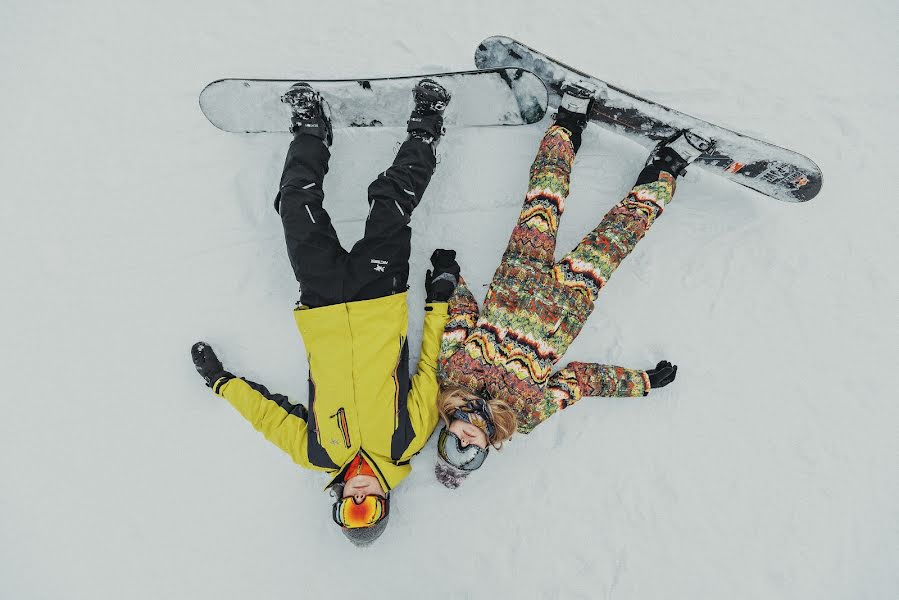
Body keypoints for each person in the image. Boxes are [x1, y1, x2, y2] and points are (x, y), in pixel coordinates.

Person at [191, 79, 461, 544]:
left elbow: (267, 416)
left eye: (350, 513)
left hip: (320, 303)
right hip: (379, 297)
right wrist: (440, 298)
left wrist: (221, 382)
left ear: (337, 506)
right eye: (368, 510)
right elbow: (431, 366)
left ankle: (311, 130)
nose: (358, 499)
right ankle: (426, 126)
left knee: (296, 206)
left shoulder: (317, 451)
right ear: (384, 502)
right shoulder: (406, 442)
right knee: (391, 200)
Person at [434, 82, 712, 488]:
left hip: (519, 273)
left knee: (544, 198)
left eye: (453, 442)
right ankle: (665, 167)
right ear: (485, 451)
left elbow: (462, 314)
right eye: (469, 452)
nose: (465, 437)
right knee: (622, 233)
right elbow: (579, 381)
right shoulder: (525, 414)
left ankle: (567, 124)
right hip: (568, 300)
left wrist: (449, 277)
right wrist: (641, 383)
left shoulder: (451, 374)